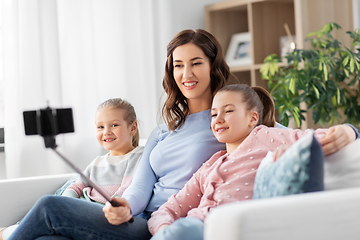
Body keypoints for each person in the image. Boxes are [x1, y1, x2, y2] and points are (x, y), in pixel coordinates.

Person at [5, 29, 357, 240]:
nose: (186, 73)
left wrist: (350, 130)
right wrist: (125, 207)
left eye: (195, 63)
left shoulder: (230, 122)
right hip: (138, 218)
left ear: (213, 65)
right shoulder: (162, 131)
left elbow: (289, 136)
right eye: (178, 65)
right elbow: (141, 188)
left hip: (164, 228)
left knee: (50, 207)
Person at [148, 84, 358, 240]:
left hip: (221, 228)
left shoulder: (265, 137)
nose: (218, 119)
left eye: (228, 111)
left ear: (252, 118)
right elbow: (170, 208)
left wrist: (350, 130)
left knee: (188, 230)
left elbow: (314, 137)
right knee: (185, 229)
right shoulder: (210, 165)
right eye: (213, 114)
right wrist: (163, 228)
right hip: (193, 228)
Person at [0, 98, 143, 240]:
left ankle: (9, 233)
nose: (106, 132)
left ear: (133, 127)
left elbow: (125, 191)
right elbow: (76, 186)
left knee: (48, 203)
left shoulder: (137, 157)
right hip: (81, 211)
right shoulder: (97, 162)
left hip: (106, 214)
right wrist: (69, 204)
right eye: (100, 127)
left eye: (114, 125)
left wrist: (110, 208)